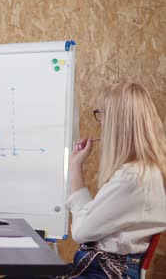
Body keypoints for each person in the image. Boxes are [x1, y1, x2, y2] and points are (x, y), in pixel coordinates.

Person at [63, 82, 166, 278]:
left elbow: (81, 231)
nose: (100, 123)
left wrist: (75, 167)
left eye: (102, 114)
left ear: (117, 122)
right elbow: (87, 224)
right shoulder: (145, 171)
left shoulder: (133, 177)